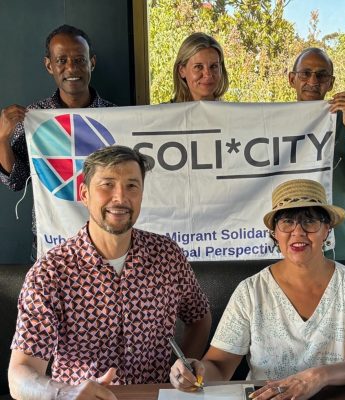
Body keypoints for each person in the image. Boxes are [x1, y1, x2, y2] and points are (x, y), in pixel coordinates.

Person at [8, 145, 211, 400]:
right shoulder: (51, 272)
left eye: (132, 186)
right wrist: (66, 393)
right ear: (84, 193)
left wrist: (184, 368)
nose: (120, 197)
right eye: (107, 185)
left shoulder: (168, 256)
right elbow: (20, 375)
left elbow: (199, 317)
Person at [170, 179, 345, 400]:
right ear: (274, 232)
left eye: (310, 221)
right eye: (287, 222)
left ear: (327, 229)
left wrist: (317, 376)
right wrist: (194, 371)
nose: (298, 232)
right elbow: (218, 367)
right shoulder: (251, 291)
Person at [0, 24, 115, 260]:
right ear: (49, 65)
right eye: (61, 60)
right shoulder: (33, 116)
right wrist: (2, 139)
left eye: (79, 60)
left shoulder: (115, 116)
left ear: (91, 62)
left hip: (105, 242)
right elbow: (16, 181)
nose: (71, 68)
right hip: (51, 243)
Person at [288, 47, 345, 260]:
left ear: (331, 83)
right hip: (292, 252)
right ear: (292, 79)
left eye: (321, 75)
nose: (313, 80)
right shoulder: (272, 121)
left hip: (343, 251)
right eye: (305, 73)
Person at [171, 32, 229, 102]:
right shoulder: (163, 112)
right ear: (182, 70)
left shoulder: (232, 112)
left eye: (213, 66)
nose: (208, 75)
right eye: (198, 67)